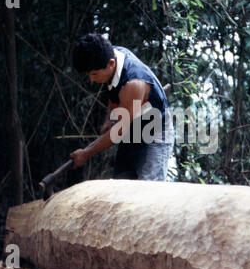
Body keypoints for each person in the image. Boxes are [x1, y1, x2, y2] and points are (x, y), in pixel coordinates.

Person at [70, 33, 174, 180]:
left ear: (111, 64)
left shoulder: (134, 83)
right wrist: (109, 119)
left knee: (148, 190)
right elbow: (113, 90)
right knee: (122, 185)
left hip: (154, 132)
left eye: (94, 74)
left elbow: (119, 131)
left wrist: (86, 153)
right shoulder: (109, 54)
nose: (91, 79)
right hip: (131, 127)